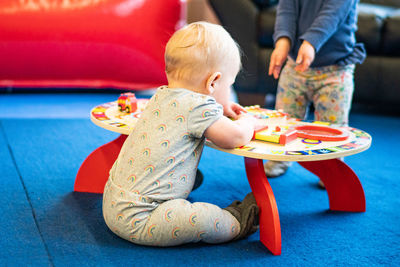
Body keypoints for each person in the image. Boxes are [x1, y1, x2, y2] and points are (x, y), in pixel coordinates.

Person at [102, 21, 261, 247]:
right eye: (229, 85)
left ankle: (177, 187)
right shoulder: (198, 108)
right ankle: (237, 222)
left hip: (113, 204)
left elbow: (190, 114)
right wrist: (249, 122)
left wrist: (221, 108)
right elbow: (234, 137)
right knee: (200, 219)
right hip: (144, 219)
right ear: (214, 82)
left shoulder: (162, 96)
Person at [264, 0, 366, 186]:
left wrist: (311, 42)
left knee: (333, 126)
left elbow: (332, 14)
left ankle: (331, 166)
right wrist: (282, 42)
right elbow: (286, 12)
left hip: (335, 69)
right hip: (296, 66)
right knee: (284, 118)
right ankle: (281, 158)